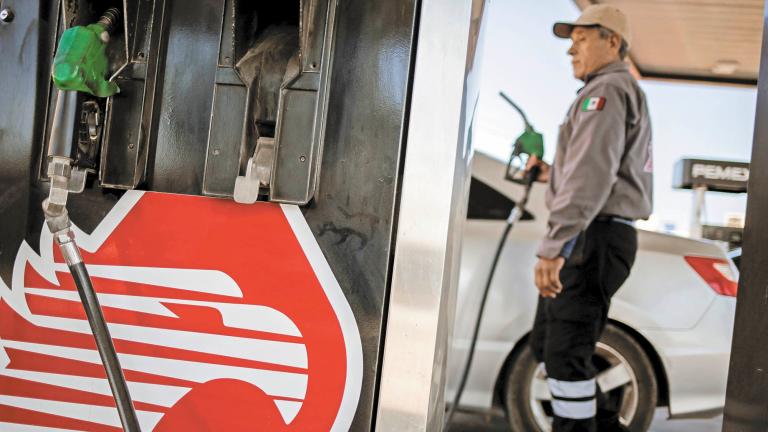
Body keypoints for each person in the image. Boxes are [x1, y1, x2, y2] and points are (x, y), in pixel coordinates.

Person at [525, 4, 653, 432]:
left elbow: (590, 176)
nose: (571, 51)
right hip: (594, 233)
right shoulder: (604, 92)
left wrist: (553, 247)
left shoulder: (607, 92)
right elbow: (594, 167)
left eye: (581, 40)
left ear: (611, 41)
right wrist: (547, 172)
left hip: (593, 238)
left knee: (564, 355)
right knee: (549, 348)